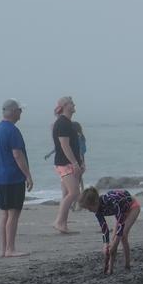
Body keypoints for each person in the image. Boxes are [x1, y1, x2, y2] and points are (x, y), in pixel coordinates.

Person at [0, 99, 33, 257]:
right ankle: (10, 249)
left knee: (5, 213)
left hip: (0, 178)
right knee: (13, 213)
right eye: (19, 110)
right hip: (12, 177)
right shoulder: (12, 130)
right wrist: (28, 175)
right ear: (13, 111)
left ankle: (4, 249)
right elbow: (17, 154)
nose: (21, 113)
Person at [80, 186, 141, 275]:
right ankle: (110, 268)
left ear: (96, 202)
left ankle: (127, 265)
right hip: (121, 213)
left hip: (132, 207)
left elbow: (121, 222)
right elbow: (104, 228)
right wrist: (106, 244)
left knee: (122, 236)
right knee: (112, 242)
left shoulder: (112, 201)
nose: (89, 211)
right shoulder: (97, 210)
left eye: (89, 208)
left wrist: (116, 242)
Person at [51, 96, 85, 234]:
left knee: (66, 193)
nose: (74, 104)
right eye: (71, 103)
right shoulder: (62, 123)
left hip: (67, 162)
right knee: (74, 192)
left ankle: (62, 224)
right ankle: (59, 222)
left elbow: (74, 145)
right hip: (64, 163)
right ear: (65, 106)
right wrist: (75, 163)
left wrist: (80, 161)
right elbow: (64, 145)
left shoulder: (67, 122)